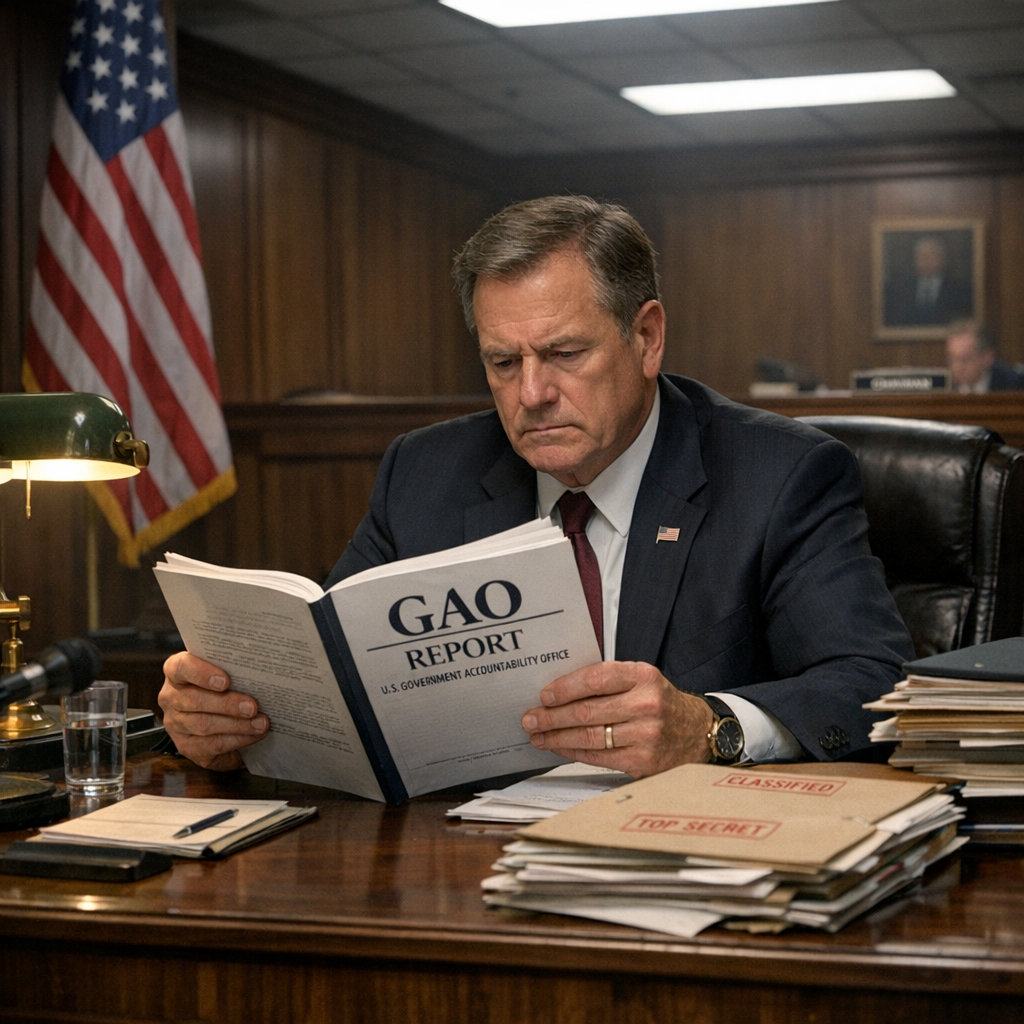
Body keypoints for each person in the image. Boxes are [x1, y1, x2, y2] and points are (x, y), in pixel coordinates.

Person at [160, 196, 913, 778]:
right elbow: (336, 677)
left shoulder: (777, 476)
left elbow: (875, 687)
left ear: (646, 337)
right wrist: (231, 725)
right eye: (501, 362)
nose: (531, 394)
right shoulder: (424, 473)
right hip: (452, 868)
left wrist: (708, 727)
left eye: (563, 353)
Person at [884, 235, 973, 327]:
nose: (926, 261)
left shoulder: (960, 290)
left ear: (943, 260)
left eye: (932, 255)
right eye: (922, 256)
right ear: (915, 260)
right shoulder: (899, 289)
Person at [946, 322, 1024, 393]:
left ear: (987, 357)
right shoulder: (945, 387)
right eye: (953, 359)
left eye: (966, 359)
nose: (957, 367)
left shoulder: (1014, 385)